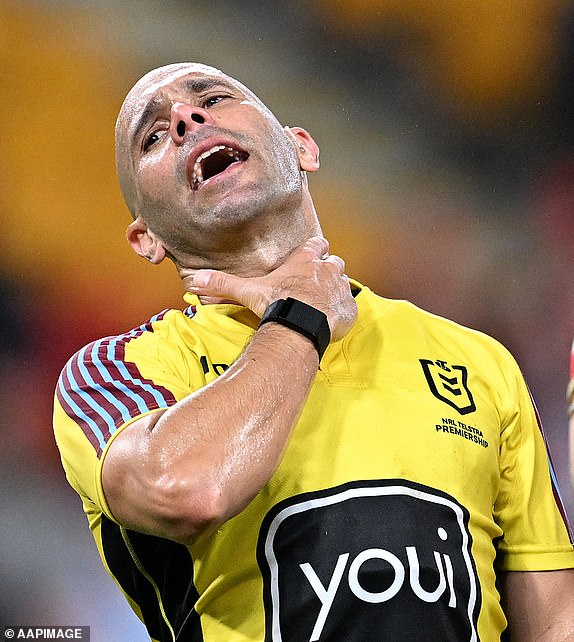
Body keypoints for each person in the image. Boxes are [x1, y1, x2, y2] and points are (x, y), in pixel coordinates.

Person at [53, 62, 574, 642]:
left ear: (301, 147)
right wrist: (300, 315)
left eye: (215, 98)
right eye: (152, 136)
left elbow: (553, 619)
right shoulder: (117, 373)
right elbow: (187, 488)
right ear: (145, 238)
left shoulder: (479, 361)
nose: (185, 117)